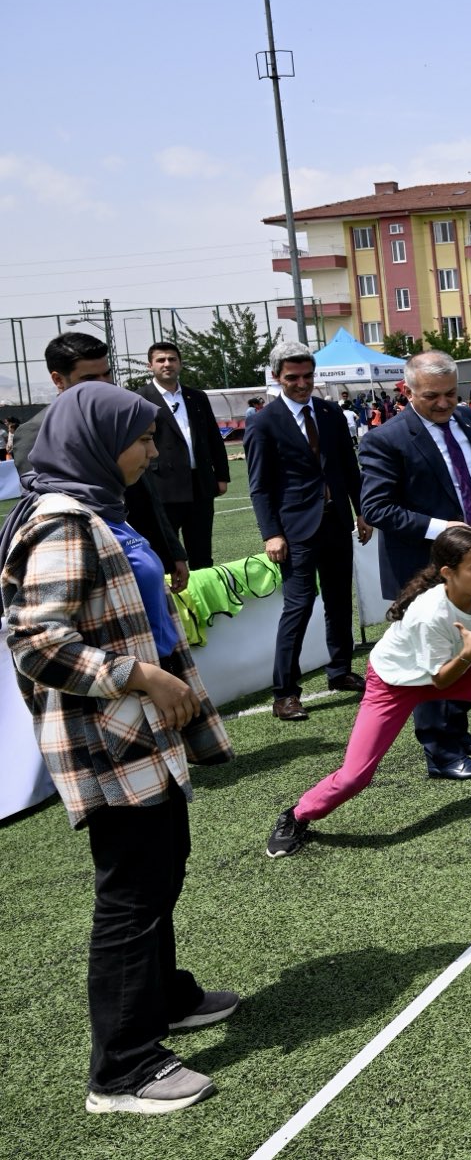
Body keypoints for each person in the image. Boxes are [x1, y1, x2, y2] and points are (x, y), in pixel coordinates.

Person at [0, 386, 235, 1115]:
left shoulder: (100, 507)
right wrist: (133, 673)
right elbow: (36, 642)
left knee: (163, 868)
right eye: (142, 438)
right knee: (131, 894)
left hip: (141, 734)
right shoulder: (62, 521)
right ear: (97, 441)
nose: (154, 452)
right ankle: (123, 1067)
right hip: (109, 741)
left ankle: (162, 998)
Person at [266, 525, 471, 860]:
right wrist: (469, 652)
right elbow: (441, 684)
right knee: (355, 777)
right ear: (449, 573)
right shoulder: (430, 613)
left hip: (450, 667)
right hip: (395, 682)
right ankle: (297, 814)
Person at [359, 351, 471, 779]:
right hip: (424, 567)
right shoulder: (384, 439)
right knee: (432, 660)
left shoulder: (468, 420)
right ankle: (441, 753)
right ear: (408, 391)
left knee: (466, 649)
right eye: (432, 396)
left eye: (451, 393)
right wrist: (440, 527)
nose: (444, 403)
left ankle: (459, 734)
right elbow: (376, 508)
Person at [244, 343, 373, 721]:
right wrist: (272, 533)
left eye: (307, 376)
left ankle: (339, 670)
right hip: (295, 531)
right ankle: (285, 692)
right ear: (277, 378)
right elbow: (259, 486)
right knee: (298, 608)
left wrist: (361, 512)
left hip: (336, 523)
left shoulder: (332, 414)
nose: (302, 384)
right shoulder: (263, 422)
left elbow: (350, 470)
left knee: (339, 601)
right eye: (293, 378)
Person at [15, 333, 188, 593]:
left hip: (138, 554)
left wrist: (172, 551)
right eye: (89, 379)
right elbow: (45, 499)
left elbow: (145, 495)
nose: (103, 384)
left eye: (106, 374)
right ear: (58, 380)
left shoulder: (120, 419)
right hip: (91, 568)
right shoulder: (36, 432)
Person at [138, 343, 231, 569]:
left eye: (172, 359)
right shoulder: (140, 399)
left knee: (202, 556)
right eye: (161, 360)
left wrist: (221, 475)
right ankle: (174, 604)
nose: (167, 364)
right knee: (167, 556)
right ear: (150, 366)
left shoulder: (196, 397)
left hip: (200, 485)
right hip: (162, 488)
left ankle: (206, 603)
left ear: (180, 363)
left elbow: (213, 438)